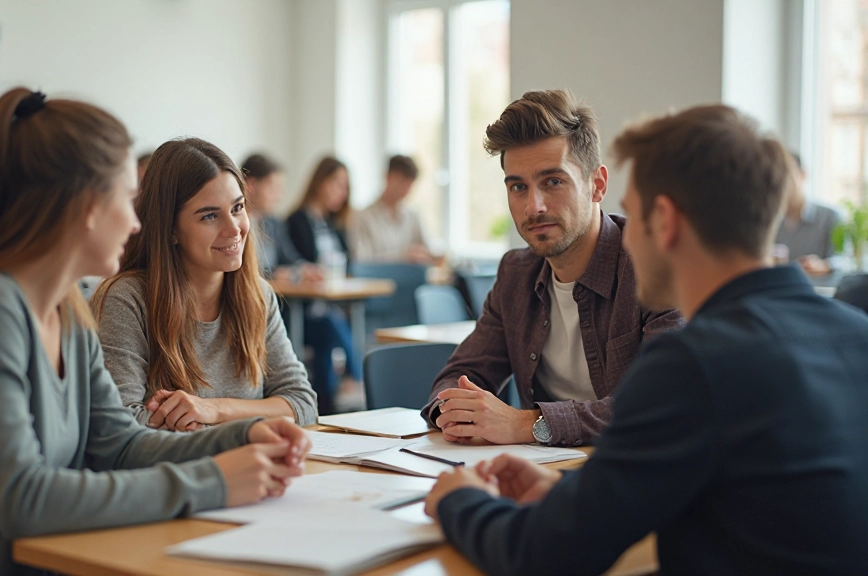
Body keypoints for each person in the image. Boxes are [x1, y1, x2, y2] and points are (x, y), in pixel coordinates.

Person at [0, 88, 310, 576]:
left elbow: (120, 444)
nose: (137, 223)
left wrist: (243, 434)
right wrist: (215, 481)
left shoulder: (66, 310)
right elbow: (21, 499)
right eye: (127, 200)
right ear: (84, 207)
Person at [424, 104, 868, 575]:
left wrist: (460, 499)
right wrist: (572, 493)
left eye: (632, 215)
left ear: (665, 221)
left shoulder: (694, 363)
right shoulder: (856, 332)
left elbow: (540, 556)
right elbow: (745, 500)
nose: (625, 236)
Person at [423, 90, 683, 447]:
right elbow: (462, 372)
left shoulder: (657, 269)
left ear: (597, 185)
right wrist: (454, 410)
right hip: (542, 472)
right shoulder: (516, 274)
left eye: (553, 182)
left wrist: (526, 424)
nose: (534, 207)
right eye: (518, 187)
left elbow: (660, 404)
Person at [91, 140, 317, 431]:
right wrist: (246, 425)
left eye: (237, 208)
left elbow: (303, 404)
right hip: (191, 464)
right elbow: (122, 424)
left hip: (249, 459)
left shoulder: (258, 296)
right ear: (170, 229)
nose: (234, 229)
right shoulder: (126, 300)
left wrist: (213, 409)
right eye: (210, 216)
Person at [286, 157, 362, 414]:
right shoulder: (297, 221)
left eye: (345, 187)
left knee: (327, 337)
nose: (342, 193)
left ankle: (325, 406)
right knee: (330, 325)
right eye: (338, 184)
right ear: (320, 182)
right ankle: (357, 378)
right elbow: (293, 263)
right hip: (303, 312)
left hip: (331, 305)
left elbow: (347, 263)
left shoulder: (334, 223)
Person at [241, 153, 319, 282]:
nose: (278, 197)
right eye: (273, 188)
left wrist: (304, 269)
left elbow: (289, 257)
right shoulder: (235, 224)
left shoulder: (273, 223)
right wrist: (274, 274)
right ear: (251, 185)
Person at [349, 155, 433, 263]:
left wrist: (427, 255)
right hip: (378, 275)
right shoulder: (363, 217)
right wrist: (404, 257)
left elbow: (427, 250)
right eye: (402, 180)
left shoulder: (413, 216)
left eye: (409, 183)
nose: (406, 188)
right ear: (387, 177)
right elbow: (362, 259)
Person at [775, 150, 841, 276]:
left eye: (786, 174)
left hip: (818, 286)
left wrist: (825, 265)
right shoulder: (769, 220)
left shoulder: (830, 216)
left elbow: (845, 260)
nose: (780, 182)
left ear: (803, 174)